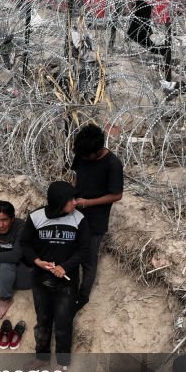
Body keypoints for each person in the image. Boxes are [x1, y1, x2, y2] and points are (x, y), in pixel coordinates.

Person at [19, 181, 91, 371]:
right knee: (42, 320)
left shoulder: (79, 219)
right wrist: (36, 261)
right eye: (70, 200)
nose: (75, 203)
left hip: (67, 283)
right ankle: (41, 358)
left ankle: (62, 363)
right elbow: (25, 244)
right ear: (59, 202)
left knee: (63, 323)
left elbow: (85, 250)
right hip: (40, 280)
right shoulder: (36, 217)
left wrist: (65, 267)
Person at [71, 123, 123, 310]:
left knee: (89, 259)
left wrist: (87, 202)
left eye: (87, 157)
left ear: (97, 151)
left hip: (95, 220)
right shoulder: (82, 153)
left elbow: (117, 195)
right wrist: (72, 195)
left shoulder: (112, 164)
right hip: (75, 214)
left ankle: (82, 296)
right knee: (71, 253)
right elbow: (76, 176)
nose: (83, 158)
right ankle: (70, 289)